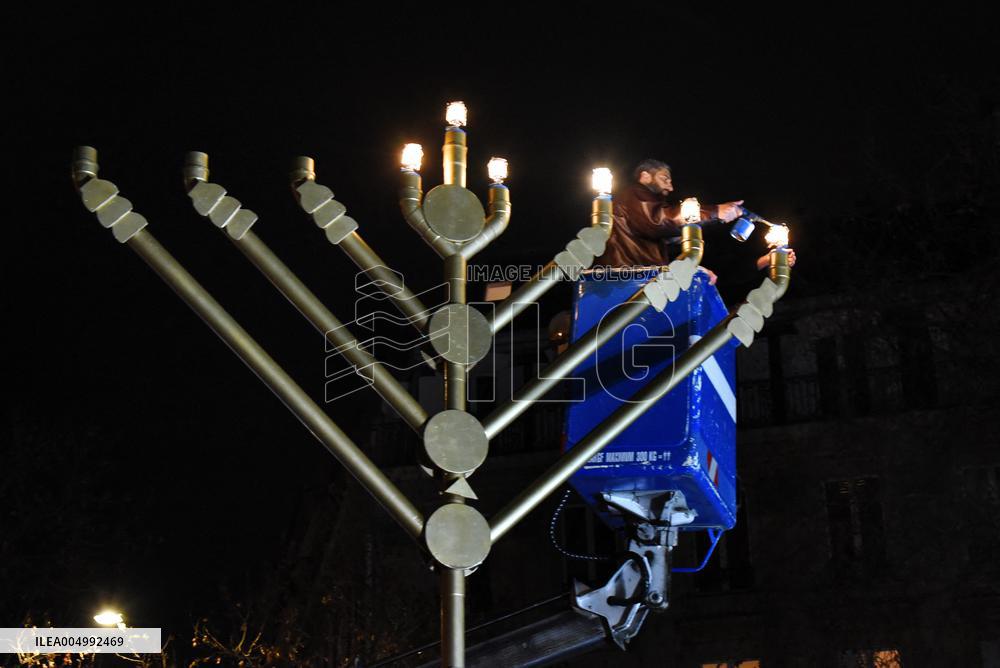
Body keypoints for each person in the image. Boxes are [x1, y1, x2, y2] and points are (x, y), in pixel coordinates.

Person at [595, 159, 795, 282]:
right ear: (645, 176)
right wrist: (716, 211)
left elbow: (669, 236)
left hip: (639, 280)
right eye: (665, 178)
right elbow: (658, 220)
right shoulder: (633, 194)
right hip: (625, 283)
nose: (671, 187)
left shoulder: (649, 231)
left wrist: (768, 261)